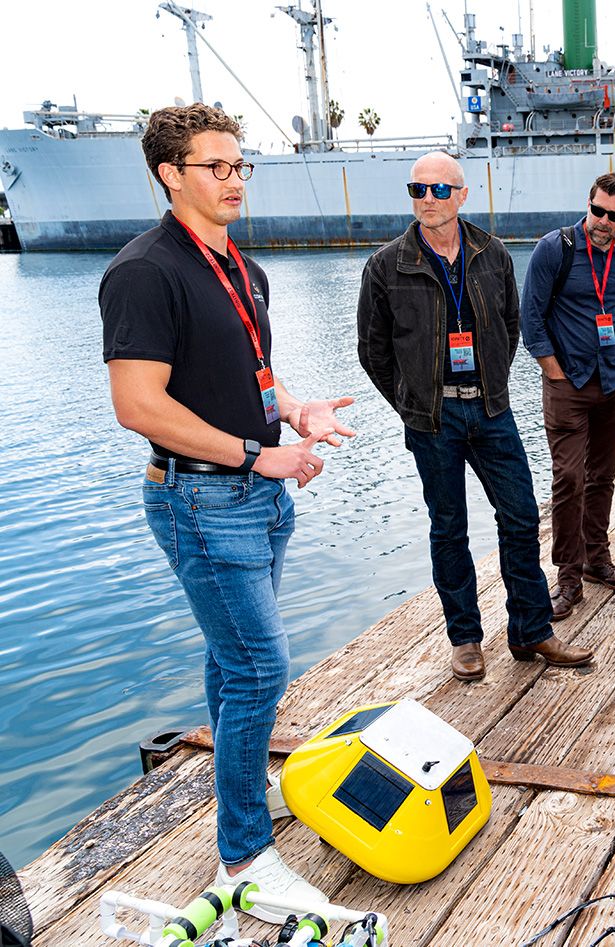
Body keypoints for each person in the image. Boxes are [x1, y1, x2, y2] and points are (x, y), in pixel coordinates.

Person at [99, 104, 355, 916]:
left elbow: (253, 375)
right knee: (258, 667)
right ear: (170, 174)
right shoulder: (144, 272)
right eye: (217, 167)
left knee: (231, 660)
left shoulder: (242, 266)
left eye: (242, 165)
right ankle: (243, 858)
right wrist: (256, 454)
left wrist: (295, 412)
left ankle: (240, 792)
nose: (235, 178)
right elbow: (138, 405)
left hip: (258, 496)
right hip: (201, 500)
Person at [357, 151, 593, 681]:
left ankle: (532, 630)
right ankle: (465, 639)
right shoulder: (386, 265)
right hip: (432, 419)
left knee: (521, 517)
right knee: (449, 528)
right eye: (417, 189)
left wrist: (490, 383)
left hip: (491, 410)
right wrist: (416, 403)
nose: (428, 200)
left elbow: (510, 327)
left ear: (462, 195)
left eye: (440, 190)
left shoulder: (492, 253)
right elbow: (373, 352)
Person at [520, 171, 615, 620]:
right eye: (597, 211)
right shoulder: (553, 249)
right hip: (569, 386)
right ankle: (568, 579)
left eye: (614, 216)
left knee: (602, 475)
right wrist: (554, 374)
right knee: (569, 479)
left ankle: (598, 560)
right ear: (589, 203)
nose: (602, 222)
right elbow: (531, 320)